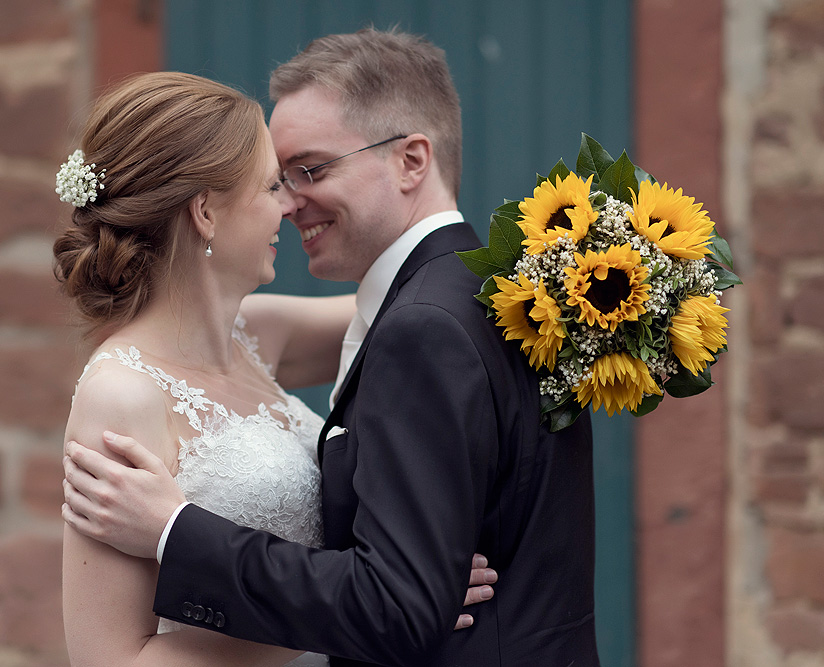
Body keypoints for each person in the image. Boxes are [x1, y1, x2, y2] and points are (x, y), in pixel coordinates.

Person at [63, 28, 599, 666]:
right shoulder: (122, 392)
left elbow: (429, 318)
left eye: (306, 172)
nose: (288, 205)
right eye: (274, 184)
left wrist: (599, 288)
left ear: (411, 160)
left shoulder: (268, 334)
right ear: (204, 214)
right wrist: (378, 596)